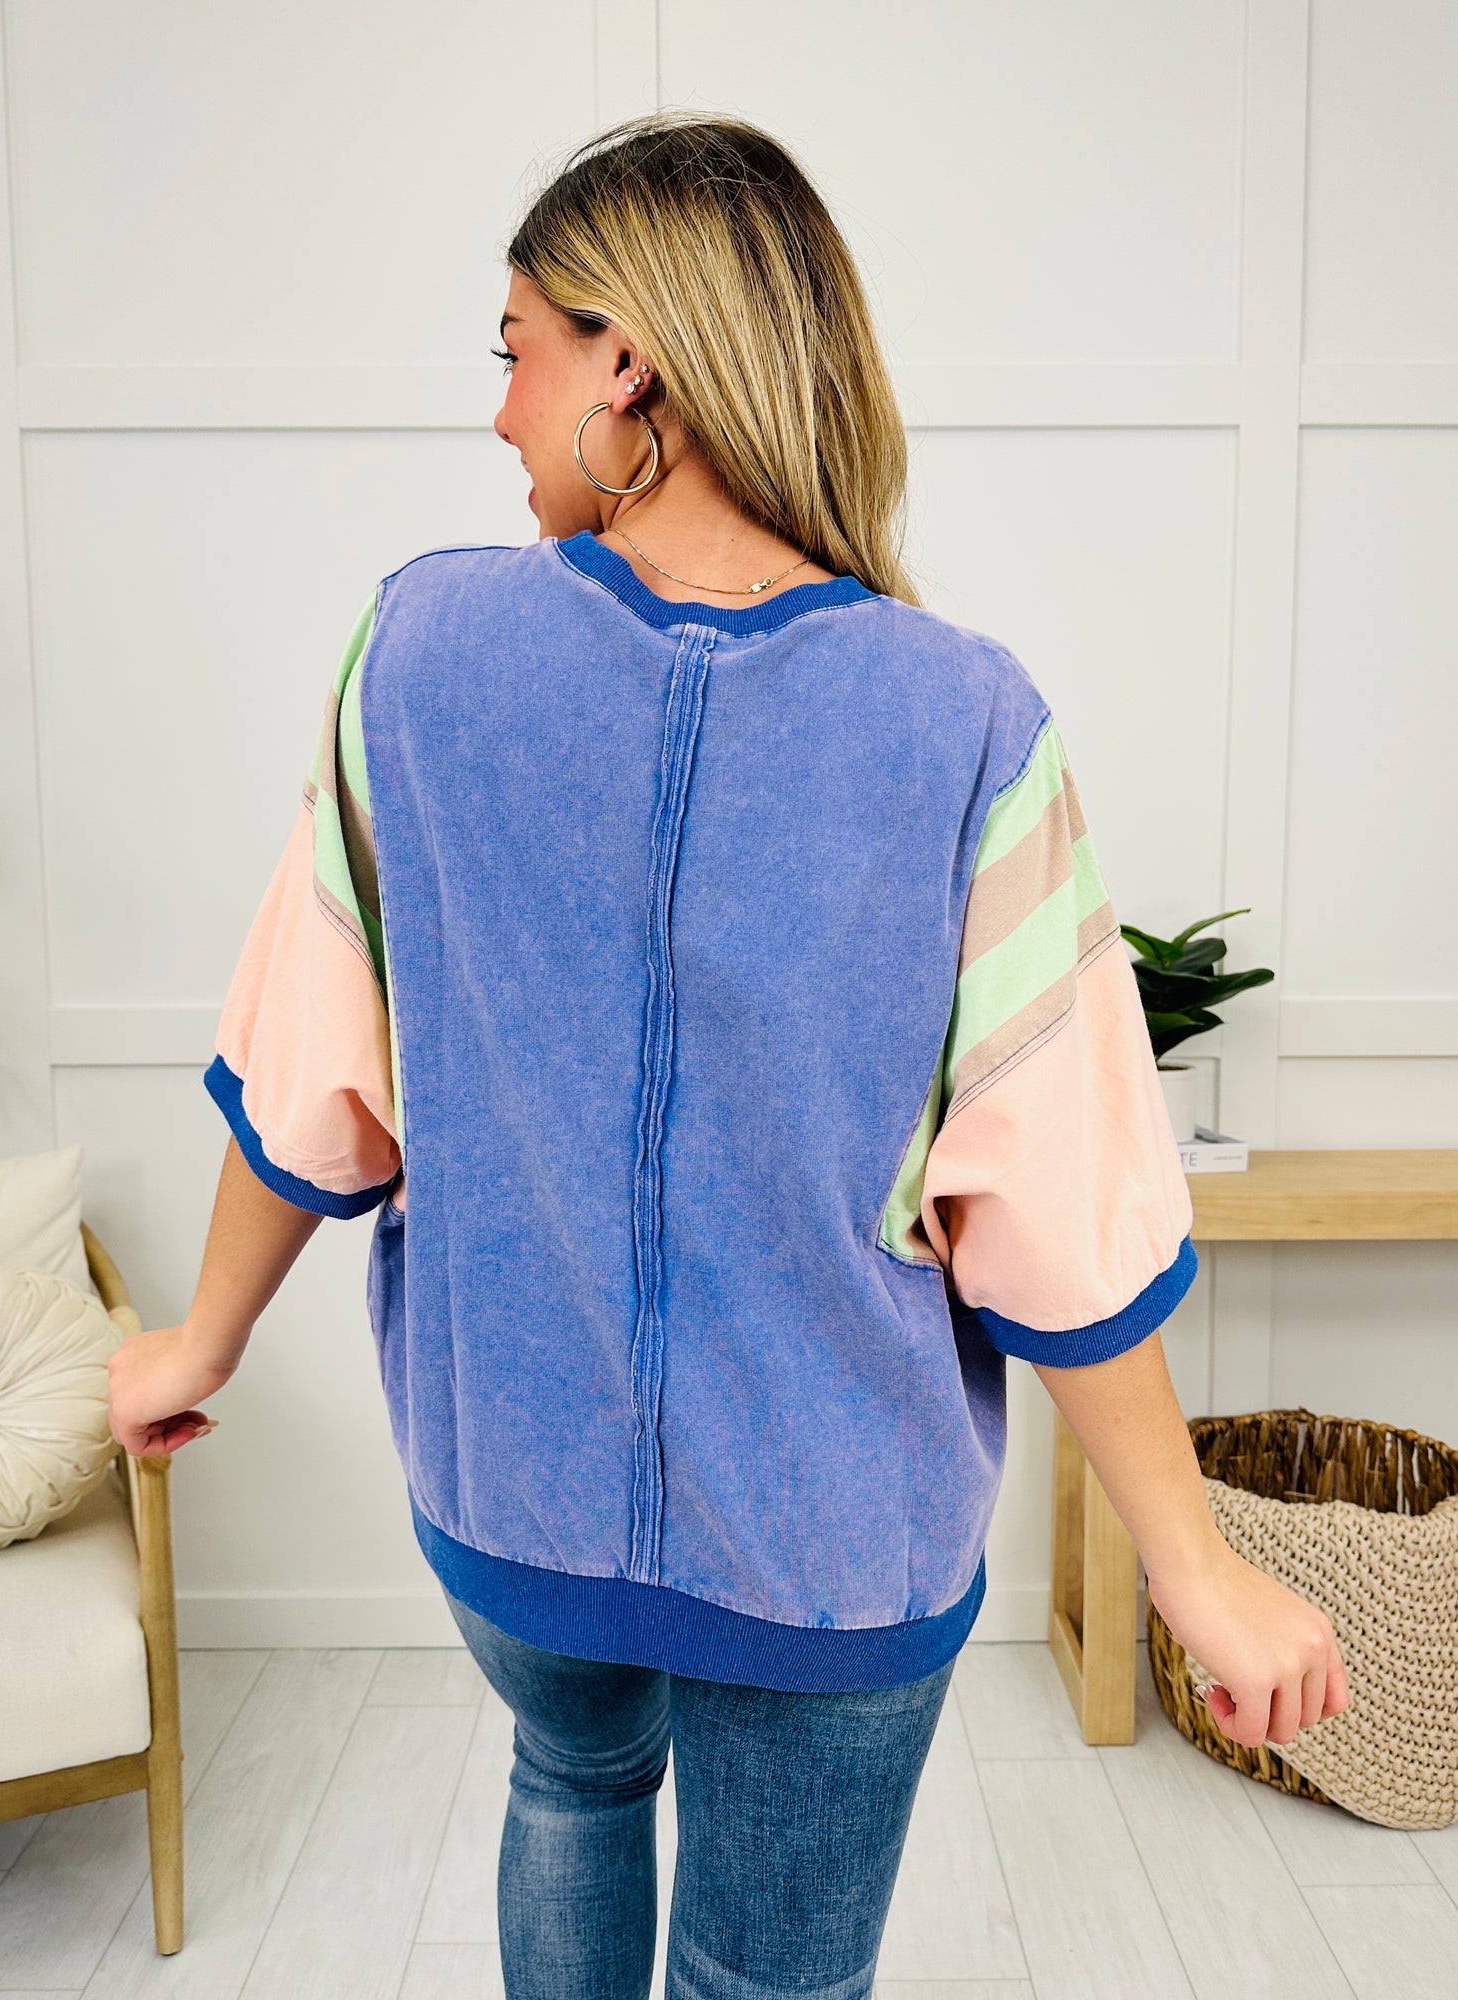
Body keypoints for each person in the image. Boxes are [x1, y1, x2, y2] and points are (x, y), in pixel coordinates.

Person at [107, 111, 1347, 2000]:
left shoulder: (417, 655)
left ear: (629, 363)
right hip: (834, 1539)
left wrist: (197, 1343)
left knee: (570, 1777)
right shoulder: (964, 720)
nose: (501, 411)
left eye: (516, 349)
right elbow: (1061, 1204)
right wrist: (1191, 1563)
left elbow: (314, 1074)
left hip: (511, 1486)